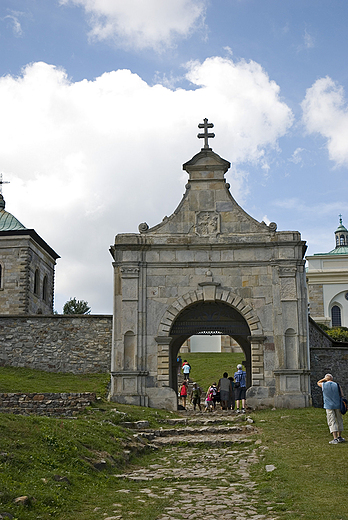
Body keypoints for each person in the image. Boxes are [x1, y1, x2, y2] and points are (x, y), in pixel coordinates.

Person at [317, 373, 346, 444]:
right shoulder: (337, 385)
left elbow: (318, 382)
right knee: (339, 420)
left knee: (331, 420)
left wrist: (324, 379)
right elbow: (342, 395)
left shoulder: (324, 385)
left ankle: (335, 438)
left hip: (328, 405)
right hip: (338, 405)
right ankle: (340, 437)